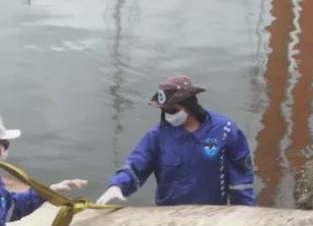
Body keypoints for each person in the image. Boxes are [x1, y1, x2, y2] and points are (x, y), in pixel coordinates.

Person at [96, 75, 256, 207]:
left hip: (211, 216)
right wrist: (118, 185)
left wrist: (245, 214)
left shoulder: (224, 130)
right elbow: (137, 164)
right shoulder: (157, 137)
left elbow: (241, 178)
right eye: (164, 111)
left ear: (189, 106)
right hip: (169, 217)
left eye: (172, 110)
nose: (168, 115)